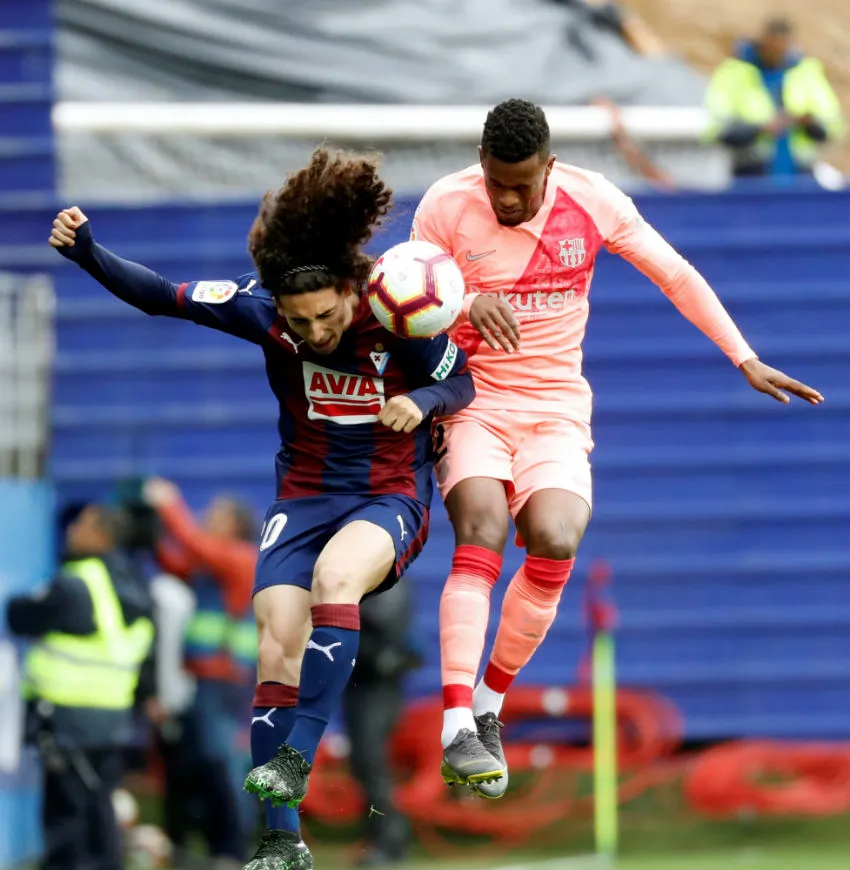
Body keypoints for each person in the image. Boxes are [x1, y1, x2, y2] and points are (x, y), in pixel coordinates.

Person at [48, 146, 475, 870]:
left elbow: (459, 382)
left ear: (350, 289)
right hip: (304, 498)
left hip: (387, 495)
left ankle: (298, 758)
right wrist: (87, 252)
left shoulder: (397, 309)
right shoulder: (261, 311)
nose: (315, 333)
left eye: (324, 314)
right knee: (276, 641)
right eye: (299, 320)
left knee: (336, 585)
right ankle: (281, 839)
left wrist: (420, 399)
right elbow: (163, 296)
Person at [411, 98, 824, 799]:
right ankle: (456, 723)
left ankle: (489, 706)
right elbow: (403, 299)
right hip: (474, 400)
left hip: (555, 409)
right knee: (481, 527)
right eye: (497, 182)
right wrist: (458, 303)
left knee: (555, 538)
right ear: (481, 165)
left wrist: (743, 356)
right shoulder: (445, 207)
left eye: (523, 184)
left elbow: (675, 273)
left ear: (550, 166)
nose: (508, 198)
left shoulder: (592, 199)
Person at [6, 503, 155, 870]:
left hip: (69, 719)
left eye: (83, 524)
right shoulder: (135, 583)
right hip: (115, 720)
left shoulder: (77, 582)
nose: (73, 529)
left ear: (101, 535)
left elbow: (21, 616)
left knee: (67, 822)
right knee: (99, 810)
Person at [143, 479, 259, 866]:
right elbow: (175, 562)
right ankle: (215, 847)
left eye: (219, 514)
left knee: (219, 760)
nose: (209, 517)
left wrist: (169, 503)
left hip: (223, 679)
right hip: (204, 678)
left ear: (238, 526)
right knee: (200, 761)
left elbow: (193, 545)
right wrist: (153, 532)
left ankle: (232, 849)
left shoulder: (241, 557)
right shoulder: (213, 561)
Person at [706, 17, 844, 178]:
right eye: (773, 47)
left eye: (783, 47)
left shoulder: (807, 72)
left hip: (800, 173)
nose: (778, 52)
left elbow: (832, 125)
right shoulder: (733, 72)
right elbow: (717, 128)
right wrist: (759, 128)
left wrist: (809, 122)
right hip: (750, 172)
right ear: (763, 43)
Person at [343, 581, 420, 867]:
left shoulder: (384, 586)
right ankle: (380, 837)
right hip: (360, 685)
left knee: (370, 761)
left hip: (377, 689)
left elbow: (384, 630)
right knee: (363, 764)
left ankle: (388, 840)